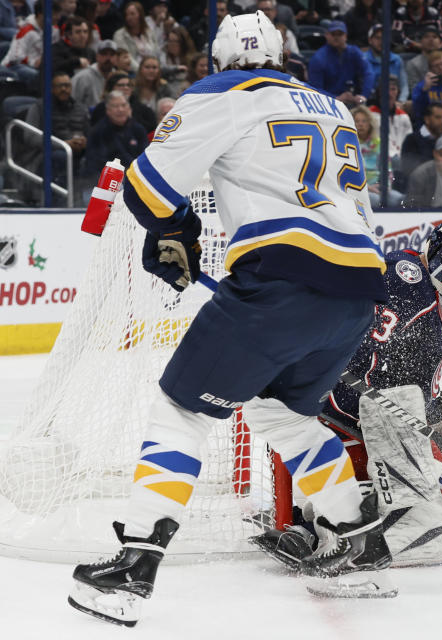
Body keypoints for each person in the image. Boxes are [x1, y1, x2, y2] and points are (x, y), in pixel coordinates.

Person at [67, 13, 391, 625]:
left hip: (281, 282)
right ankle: (359, 536)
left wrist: (176, 232)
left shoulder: (221, 93)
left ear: (218, 62)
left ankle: (135, 563)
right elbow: (358, 211)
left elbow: (149, 189)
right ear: (280, 56)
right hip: (356, 288)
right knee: (283, 413)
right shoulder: (333, 107)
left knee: (181, 410)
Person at [252, 218, 442, 570]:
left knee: (409, 416)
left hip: (304, 398)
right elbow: (402, 400)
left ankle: (313, 519)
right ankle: (348, 527)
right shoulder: (419, 304)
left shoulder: (405, 272)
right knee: (413, 428)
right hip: (327, 412)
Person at [22, 70, 89, 205]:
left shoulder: (81, 108)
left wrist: (85, 142)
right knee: (60, 156)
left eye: (67, 85)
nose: (64, 89)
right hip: (47, 155)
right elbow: (30, 137)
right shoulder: (40, 107)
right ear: (52, 89)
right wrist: (64, 144)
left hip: (78, 154)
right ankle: (59, 202)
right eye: (60, 86)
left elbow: (90, 133)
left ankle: (87, 201)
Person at [307, 21, 374, 108]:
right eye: (333, 34)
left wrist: (363, 96)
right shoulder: (318, 58)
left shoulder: (354, 52)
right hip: (328, 105)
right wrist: (336, 98)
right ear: (327, 35)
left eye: (340, 34)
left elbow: (368, 72)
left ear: (345, 36)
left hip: (353, 101)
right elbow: (315, 90)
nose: (336, 37)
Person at [400, 102, 442, 190]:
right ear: (427, 119)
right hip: (420, 192)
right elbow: (411, 172)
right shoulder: (412, 140)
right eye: (438, 117)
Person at [364, 24, 409, 103]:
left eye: (384, 38)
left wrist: (401, 102)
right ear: (370, 40)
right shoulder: (363, 60)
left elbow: (404, 85)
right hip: (369, 102)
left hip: (393, 101)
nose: (381, 41)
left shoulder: (397, 60)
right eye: (377, 38)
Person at [71, 39, 116, 111]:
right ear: (97, 56)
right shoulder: (83, 77)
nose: (108, 58)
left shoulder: (118, 77)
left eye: (112, 55)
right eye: (104, 54)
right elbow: (73, 103)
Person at [112, 0, 160, 69]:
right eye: (127, 15)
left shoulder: (149, 32)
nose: (129, 18)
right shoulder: (119, 35)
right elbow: (126, 59)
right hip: (132, 72)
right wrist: (142, 71)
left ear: (140, 15)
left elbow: (157, 52)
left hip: (152, 70)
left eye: (132, 14)